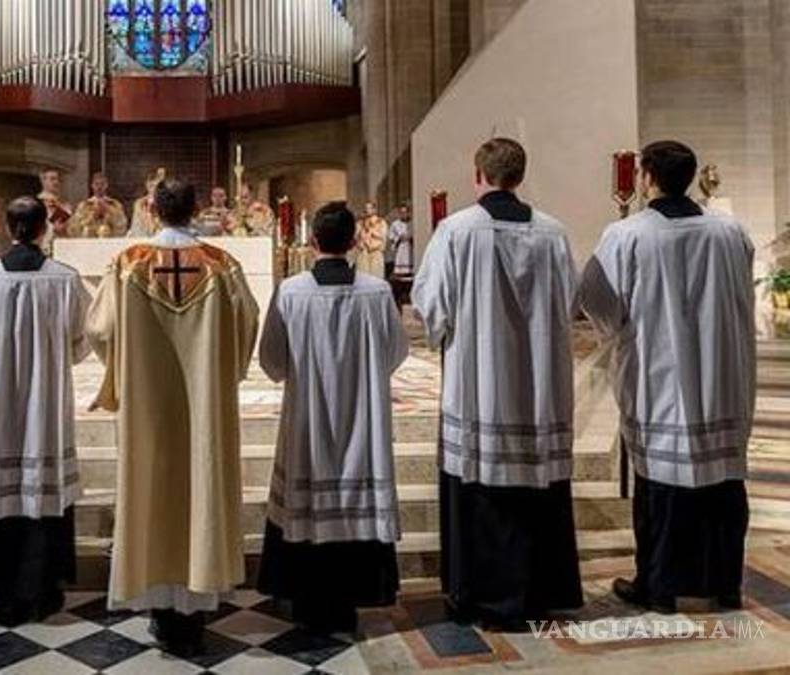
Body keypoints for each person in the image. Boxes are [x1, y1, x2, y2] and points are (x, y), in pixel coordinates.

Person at [411, 138, 583, 630]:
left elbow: (431, 305)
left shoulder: (456, 231)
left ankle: (481, 597)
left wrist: (446, 331)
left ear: (478, 175)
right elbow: (571, 304)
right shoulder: (553, 233)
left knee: (483, 486)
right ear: (520, 176)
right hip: (539, 388)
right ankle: (541, 592)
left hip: (481, 387)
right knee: (537, 485)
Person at [580, 140, 755, 613]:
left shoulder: (628, 234)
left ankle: (658, 586)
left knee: (661, 485)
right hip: (721, 378)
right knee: (722, 482)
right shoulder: (730, 231)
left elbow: (597, 300)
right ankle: (724, 583)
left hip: (661, 380)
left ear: (648, 178)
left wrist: (617, 331)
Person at [88, 179, 259, 656]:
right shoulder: (222, 265)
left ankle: (159, 608)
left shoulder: (128, 264)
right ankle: (197, 604)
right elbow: (247, 323)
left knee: (152, 489)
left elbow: (99, 329)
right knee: (200, 484)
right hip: (204, 406)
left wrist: (120, 370)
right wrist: (223, 371)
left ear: (152, 209)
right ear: (197, 208)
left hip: (148, 407)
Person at [257, 202, 409, 634]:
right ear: (356, 241)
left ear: (312, 242)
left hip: (308, 424)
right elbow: (395, 353)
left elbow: (272, 361)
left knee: (305, 498)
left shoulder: (291, 291)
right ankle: (353, 596)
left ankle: (307, 599)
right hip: (362, 422)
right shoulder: (377, 292)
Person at [0, 196, 91, 625]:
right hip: (45, 408)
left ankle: (4, 588)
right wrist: (51, 363)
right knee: (42, 488)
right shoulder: (65, 280)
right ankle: (44, 586)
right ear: (45, 228)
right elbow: (83, 340)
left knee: (0, 487)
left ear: (7, 229)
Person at [70, 172, 128, 238]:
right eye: (96, 184)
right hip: (90, 240)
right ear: (92, 185)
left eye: (102, 184)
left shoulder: (115, 205)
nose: (99, 187)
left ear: (106, 185)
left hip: (109, 240)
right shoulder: (84, 205)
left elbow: (122, 225)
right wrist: (93, 215)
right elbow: (76, 227)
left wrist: (109, 212)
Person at [37, 168, 73, 251]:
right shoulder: (36, 203)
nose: (56, 182)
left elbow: (72, 229)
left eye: (58, 180)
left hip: (63, 247)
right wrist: (53, 228)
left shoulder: (65, 206)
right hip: (44, 246)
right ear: (43, 181)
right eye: (52, 179)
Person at [128, 168, 165, 238]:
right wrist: (149, 212)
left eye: (157, 186)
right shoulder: (140, 204)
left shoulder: (167, 202)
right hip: (144, 237)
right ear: (147, 185)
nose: (154, 189)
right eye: (151, 185)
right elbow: (137, 226)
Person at [354, 202, 388, 279]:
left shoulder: (381, 222)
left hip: (375, 251)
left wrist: (372, 232)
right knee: (363, 276)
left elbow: (383, 236)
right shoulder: (360, 223)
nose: (367, 210)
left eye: (369, 208)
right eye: (366, 208)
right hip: (363, 252)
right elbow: (356, 236)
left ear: (374, 210)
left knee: (376, 276)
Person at [386, 203, 414, 278]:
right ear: (399, 213)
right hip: (400, 247)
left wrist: (410, 237)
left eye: (405, 212)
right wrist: (398, 238)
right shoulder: (395, 224)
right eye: (402, 212)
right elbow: (390, 236)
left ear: (408, 213)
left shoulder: (412, 223)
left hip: (410, 247)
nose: (404, 214)